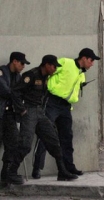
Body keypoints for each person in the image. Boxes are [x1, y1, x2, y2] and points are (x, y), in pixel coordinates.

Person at [7, 55, 78, 185]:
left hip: (39, 112)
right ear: (46, 65)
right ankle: (11, 173)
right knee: (25, 144)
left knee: (53, 140)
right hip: (29, 111)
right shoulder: (31, 75)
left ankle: (62, 171)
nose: (55, 68)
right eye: (53, 66)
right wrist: (21, 110)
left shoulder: (47, 77)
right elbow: (15, 92)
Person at [33, 48, 100, 179]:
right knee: (45, 135)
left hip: (66, 107)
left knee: (67, 137)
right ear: (84, 58)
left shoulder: (82, 74)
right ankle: (37, 168)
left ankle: (68, 168)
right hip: (52, 102)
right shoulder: (65, 63)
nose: (92, 63)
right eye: (91, 60)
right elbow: (47, 72)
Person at [0, 52, 29, 184]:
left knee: (13, 143)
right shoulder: (1, 72)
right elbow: (5, 90)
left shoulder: (18, 78)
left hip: (10, 115)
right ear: (15, 61)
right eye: (22, 63)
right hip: (1, 113)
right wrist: (16, 95)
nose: (23, 66)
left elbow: (21, 94)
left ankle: (6, 173)